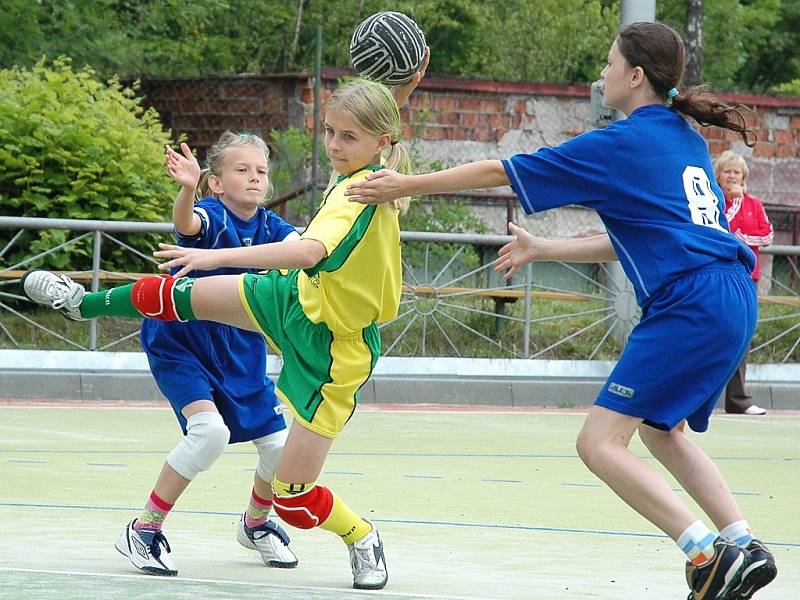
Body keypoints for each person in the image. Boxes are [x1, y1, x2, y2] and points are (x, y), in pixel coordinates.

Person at [344, 22, 777, 600]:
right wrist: (545, 248)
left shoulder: (619, 143)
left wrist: (404, 185)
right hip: (731, 293)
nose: (600, 75)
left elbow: (501, 170)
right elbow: (646, 234)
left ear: (635, 76)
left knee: (598, 443)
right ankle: (743, 543)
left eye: (607, 64)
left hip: (691, 301)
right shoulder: (683, 137)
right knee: (660, 431)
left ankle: (706, 555)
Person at [22, 77, 413, 590]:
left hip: (336, 349)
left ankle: (359, 534)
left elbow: (305, 251)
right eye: (329, 132)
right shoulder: (365, 173)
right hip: (294, 299)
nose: (335, 146)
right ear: (217, 180)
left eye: (348, 137)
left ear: (381, 141)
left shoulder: (359, 191)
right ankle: (80, 303)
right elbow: (378, 128)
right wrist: (402, 85)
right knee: (176, 295)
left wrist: (215, 258)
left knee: (293, 495)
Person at [126, 132, 302, 576]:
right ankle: (144, 528)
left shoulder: (273, 228)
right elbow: (188, 226)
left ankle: (256, 523)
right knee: (209, 433)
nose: (254, 178)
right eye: (242, 170)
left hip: (240, 347)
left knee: (281, 450)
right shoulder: (211, 213)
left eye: (261, 171)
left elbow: (308, 247)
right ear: (217, 182)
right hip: (181, 342)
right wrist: (187, 189)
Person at [713, 150, 773, 416]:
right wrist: (736, 234)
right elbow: (719, 230)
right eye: (727, 171)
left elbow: (767, 235)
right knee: (709, 334)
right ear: (718, 175)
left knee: (741, 336)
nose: (732, 176)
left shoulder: (754, 204)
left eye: (737, 172)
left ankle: (739, 400)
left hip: (747, 278)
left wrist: (741, 237)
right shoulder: (713, 202)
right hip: (717, 276)